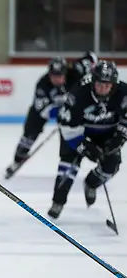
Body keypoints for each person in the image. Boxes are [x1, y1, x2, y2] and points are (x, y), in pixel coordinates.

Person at [47, 60, 127, 219]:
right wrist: (84, 146)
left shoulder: (123, 93)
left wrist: (119, 137)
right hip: (78, 132)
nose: (103, 89)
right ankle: (58, 201)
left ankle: (91, 183)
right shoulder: (78, 93)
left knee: (111, 165)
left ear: (113, 84)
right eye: (99, 84)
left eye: (107, 85)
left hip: (107, 132)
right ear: (93, 82)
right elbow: (67, 127)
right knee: (67, 167)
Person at [5, 57, 68, 179]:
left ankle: (69, 162)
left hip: (65, 111)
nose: (57, 78)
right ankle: (17, 159)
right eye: (54, 75)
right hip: (40, 112)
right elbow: (43, 111)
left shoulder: (72, 80)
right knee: (29, 135)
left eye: (60, 75)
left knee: (69, 135)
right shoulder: (42, 84)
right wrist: (61, 110)